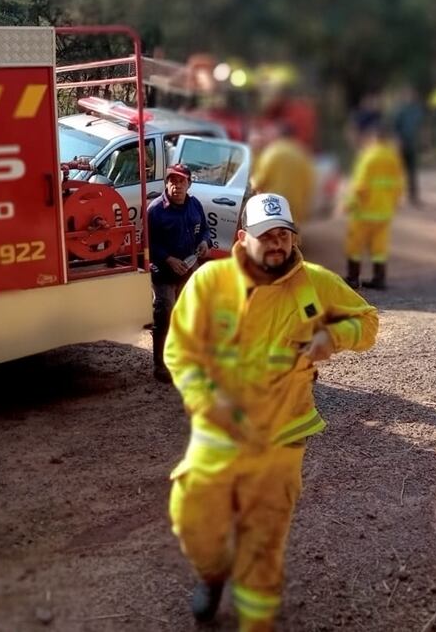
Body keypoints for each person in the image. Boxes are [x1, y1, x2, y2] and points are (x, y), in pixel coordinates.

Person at [164, 193, 378, 630]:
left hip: (284, 429)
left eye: (284, 234)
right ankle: (211, 573)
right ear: (243, 238)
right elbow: (180, 350)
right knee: (194, 515)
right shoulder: (209, 283)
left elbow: (368, 322)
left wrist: (333, 338)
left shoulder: (315, 283)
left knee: (265, 529)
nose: (277, 244)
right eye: (267, 236)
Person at [147, 163, 211, 383]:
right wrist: (168, 259)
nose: (177, 185)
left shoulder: (195, 205)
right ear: (166, 183)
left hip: (188, 271)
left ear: (189, 183)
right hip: (163, 273)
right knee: (164, 316)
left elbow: (204, 229)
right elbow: (147, 243)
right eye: (172, 181)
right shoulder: (155, 210)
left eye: (182, 181)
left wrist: (204, 241)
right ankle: (161, 366)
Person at [344, 116, 406, 290]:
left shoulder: (368, 157)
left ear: (372, 137)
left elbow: (360, 185)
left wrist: (349, 204)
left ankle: (353, 278)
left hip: (364, 211)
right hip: (384, 211)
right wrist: (394, 203)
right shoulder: (392, 157)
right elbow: (399, 184)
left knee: (355, 245)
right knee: (379, 247)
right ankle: (379, 279)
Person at [250, 128, 316, 226]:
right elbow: (310, 183)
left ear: (277, 135)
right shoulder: (303, 154)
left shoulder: (272, 152)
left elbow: (258, 182)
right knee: (291, 238)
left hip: (274, 207)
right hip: (296, 209)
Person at [392, 85, 425, 205]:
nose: (410, 97)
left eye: (411, 94)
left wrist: (423, 141)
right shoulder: (400, 110)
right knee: (398, 171)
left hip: (412, 144)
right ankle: (394, 197)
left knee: (412, 172)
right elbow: (395, 128)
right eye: (407, 94)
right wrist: (397, 143)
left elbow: (421, 127)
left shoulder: (417, 110)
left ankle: (413, 197)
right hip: (402, 143)